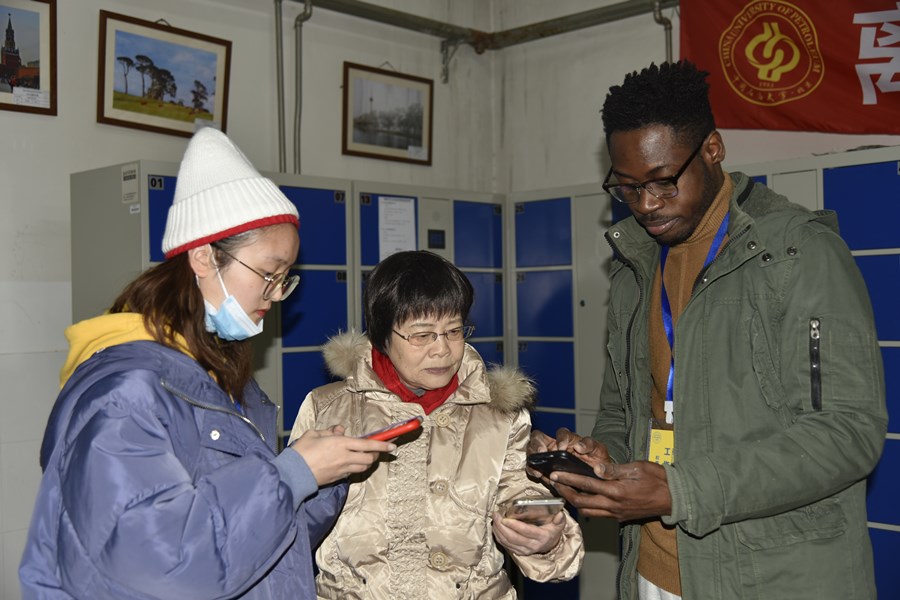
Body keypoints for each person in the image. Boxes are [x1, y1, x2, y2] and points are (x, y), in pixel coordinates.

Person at [530, 61, 887, 600]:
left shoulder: (799, 255)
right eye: (628, 188)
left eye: (663, 181)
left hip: (772, 580)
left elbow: (847, 433)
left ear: (713, 149)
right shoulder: (636, 268)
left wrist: (683, 489)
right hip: (653, 570)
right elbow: (625, 411)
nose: (647, 205)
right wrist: (598, 455)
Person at [19, 127, 394, 599]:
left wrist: (328, 473)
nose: (276, 295)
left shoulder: (217, 377)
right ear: (203, 257)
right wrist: (294, 472)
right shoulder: (124, 397)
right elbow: (168, 564)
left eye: (285, 279)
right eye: (268, 274)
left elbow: (261, 550)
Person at [289, 250, 584, 599]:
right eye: (422, 335)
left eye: (454, 331)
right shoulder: (327, 410)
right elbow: (289, 524)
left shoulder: (500, 415)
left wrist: (545, 538)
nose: (442, 349)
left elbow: (522, 498)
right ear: (382, 337)